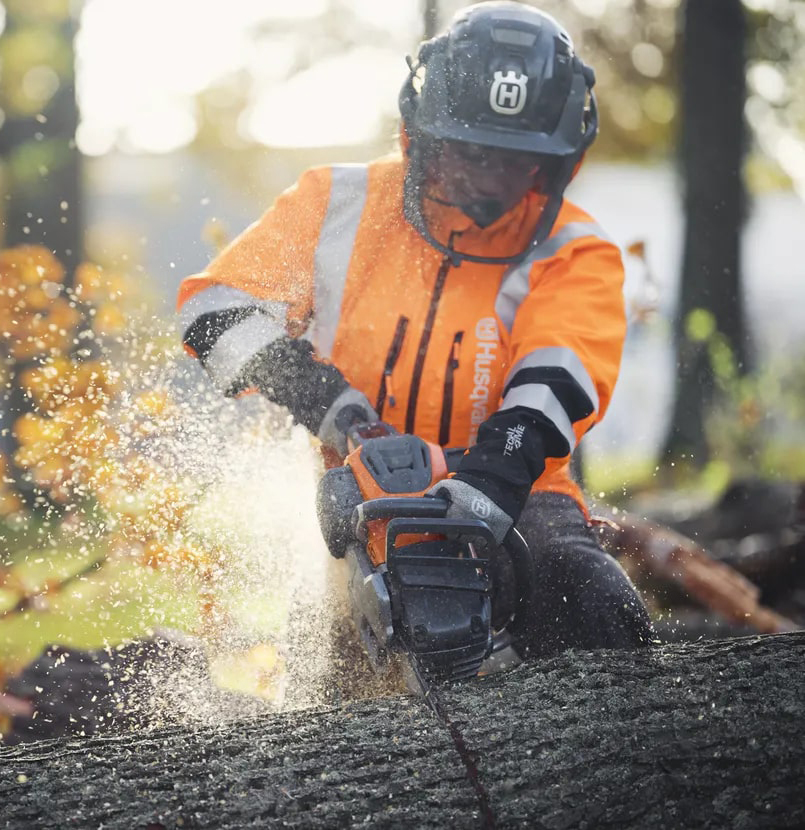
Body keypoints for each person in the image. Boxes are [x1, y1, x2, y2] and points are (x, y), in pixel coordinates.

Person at [176, 1, 653, 659]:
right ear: (421, 133)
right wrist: (337, 413)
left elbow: (557, 376)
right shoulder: (338, 204)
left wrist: (491, 474)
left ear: (555, 158)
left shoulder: (572, 250)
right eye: (469, 154)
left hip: (517, 492)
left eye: (513, 161)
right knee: (336, 675)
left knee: (584, 591)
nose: (488, 180)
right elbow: (215, 311)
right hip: (361, 491)